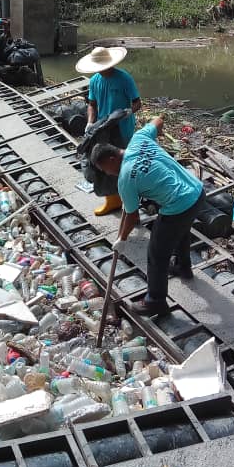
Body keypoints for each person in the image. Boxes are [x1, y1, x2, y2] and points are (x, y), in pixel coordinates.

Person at [90, 115, 206, 316]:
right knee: (181, 231)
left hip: (179, 204)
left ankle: (155, 300)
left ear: (111, 159)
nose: (108, 174)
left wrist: (122, 239)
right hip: (197, 191)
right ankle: (182, 266)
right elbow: (158, 120)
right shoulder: (139, 139)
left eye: (105, 169)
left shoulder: (125, 178)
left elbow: (132, 215)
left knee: (156, 254)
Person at [76, 45, 141, 217]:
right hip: (102, 128)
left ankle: (129, 201)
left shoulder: (124, 78)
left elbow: (137, 103)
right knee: (104, 165)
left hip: (122, 128)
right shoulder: (95, 81)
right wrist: (90, 123)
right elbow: (92, 104)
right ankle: (112, 200)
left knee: (122, 164)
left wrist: (127, 112)